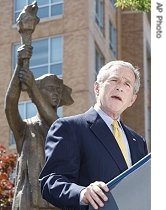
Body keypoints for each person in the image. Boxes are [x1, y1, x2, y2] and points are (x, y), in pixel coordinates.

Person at [39, 60, 148, 210]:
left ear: (132, 100)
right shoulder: (70, 128)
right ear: (97, 88)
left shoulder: (138, 141)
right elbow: (50, 182)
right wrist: (82, 193)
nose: (120, 87)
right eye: (114, 80)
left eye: (127, 84)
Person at [4, 45, 74, 210]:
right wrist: (20, 64)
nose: (56, 92)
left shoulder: (67, 129)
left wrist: (33, 88)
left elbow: (55, 124)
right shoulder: (25, 129)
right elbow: (9, 105)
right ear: (38, 94)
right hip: (28, 204)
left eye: (58, 90)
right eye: (50, 89)